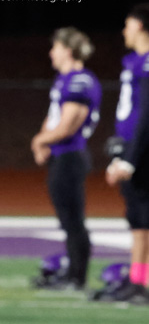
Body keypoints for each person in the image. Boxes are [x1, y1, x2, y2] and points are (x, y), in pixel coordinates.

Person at [30, 28, 102, 290]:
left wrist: (40, 140)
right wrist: (44, 139)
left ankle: (77, 276)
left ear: (68, 50)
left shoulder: (79, 80)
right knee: (68, 219)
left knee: (73, 220)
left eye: (56, 47)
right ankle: (72, 272)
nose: (52, 52)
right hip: (63, 156)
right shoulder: (65, 79)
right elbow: (54, 118)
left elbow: (68, 125)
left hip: (71, 156)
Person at [100, 3, 149, 305]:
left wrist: (130, 157)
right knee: (138, 219)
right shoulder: (137, 62)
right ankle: (136, 279)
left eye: (128, 25)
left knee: (143, 217)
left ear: (142, 26)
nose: (124, 31)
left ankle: (141, 282)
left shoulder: (146, 63)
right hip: (135, 149)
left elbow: (146, 114)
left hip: (142, 153)